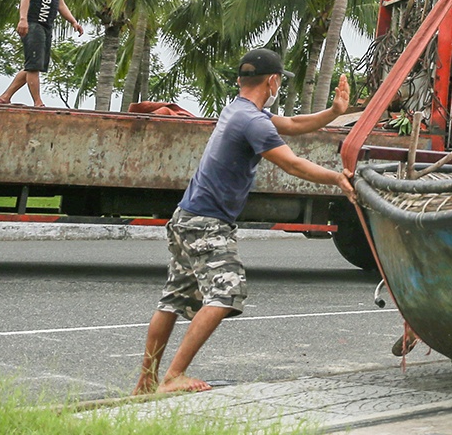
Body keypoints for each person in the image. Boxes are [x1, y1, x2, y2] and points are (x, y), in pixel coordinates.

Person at [134, 49, 356, 394]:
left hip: (188, 217)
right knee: (226, 292)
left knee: (174, 299)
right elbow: (293, 164)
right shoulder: (252, 121)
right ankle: (173, 376)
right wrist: (336, 178)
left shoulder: (240, 110)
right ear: (272, 81)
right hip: (205, 222)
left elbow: (295, 125)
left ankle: (145, 383)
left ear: (241, 81)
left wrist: (334, 112)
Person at [0, 0, 83, 106]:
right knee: (34, 66)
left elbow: (60, 4)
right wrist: (23, 19)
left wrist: (73, 21)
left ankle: (5, 97)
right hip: (33, 23)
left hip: (46, 26)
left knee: (33, 65)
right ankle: (38, 102)